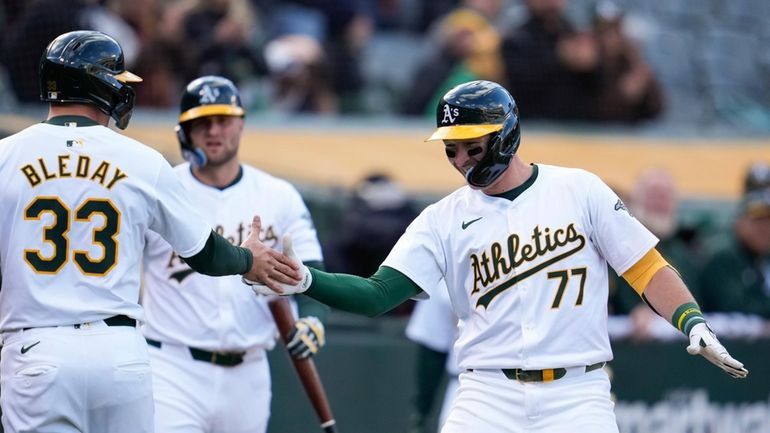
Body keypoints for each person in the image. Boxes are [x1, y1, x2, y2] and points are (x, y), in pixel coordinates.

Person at [247, 80, 749, 433]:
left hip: (578, 392)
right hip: (487, 394)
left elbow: (645, 267)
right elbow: (379, 294)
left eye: (471, 145)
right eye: (452, 148)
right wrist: (306, 281)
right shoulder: (441, 218)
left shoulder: (579, 189)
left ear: (505, 132)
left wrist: (691, 321)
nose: (461, 159)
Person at [0, 31, 298, 433]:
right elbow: (206, 253)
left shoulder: (6, 156)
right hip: (119, 352)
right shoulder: (141, 159)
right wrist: (248, 259)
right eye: (117, 79)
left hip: (36, 347)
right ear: (98, 84)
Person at [141, 75, 329, 433]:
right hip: (172, 366)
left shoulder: (278, 194)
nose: (214, 131)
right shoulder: (162, 189)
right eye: (202, 123)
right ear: (184, 132)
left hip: (249, 371)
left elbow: (313, 269)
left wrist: (312, 319)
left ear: (241, 123)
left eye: (223, 121)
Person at [698, 187, 770, 318]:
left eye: (768, 222)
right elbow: (732, 306)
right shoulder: (721, 259)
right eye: (758, 221)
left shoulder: (765, 259)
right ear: (739, 223)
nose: (764, 229)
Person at [405, 285, 460, 433]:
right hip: (468, 387)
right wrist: (420, 415)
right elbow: (432, 350)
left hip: (527, 378)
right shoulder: (448, 269)